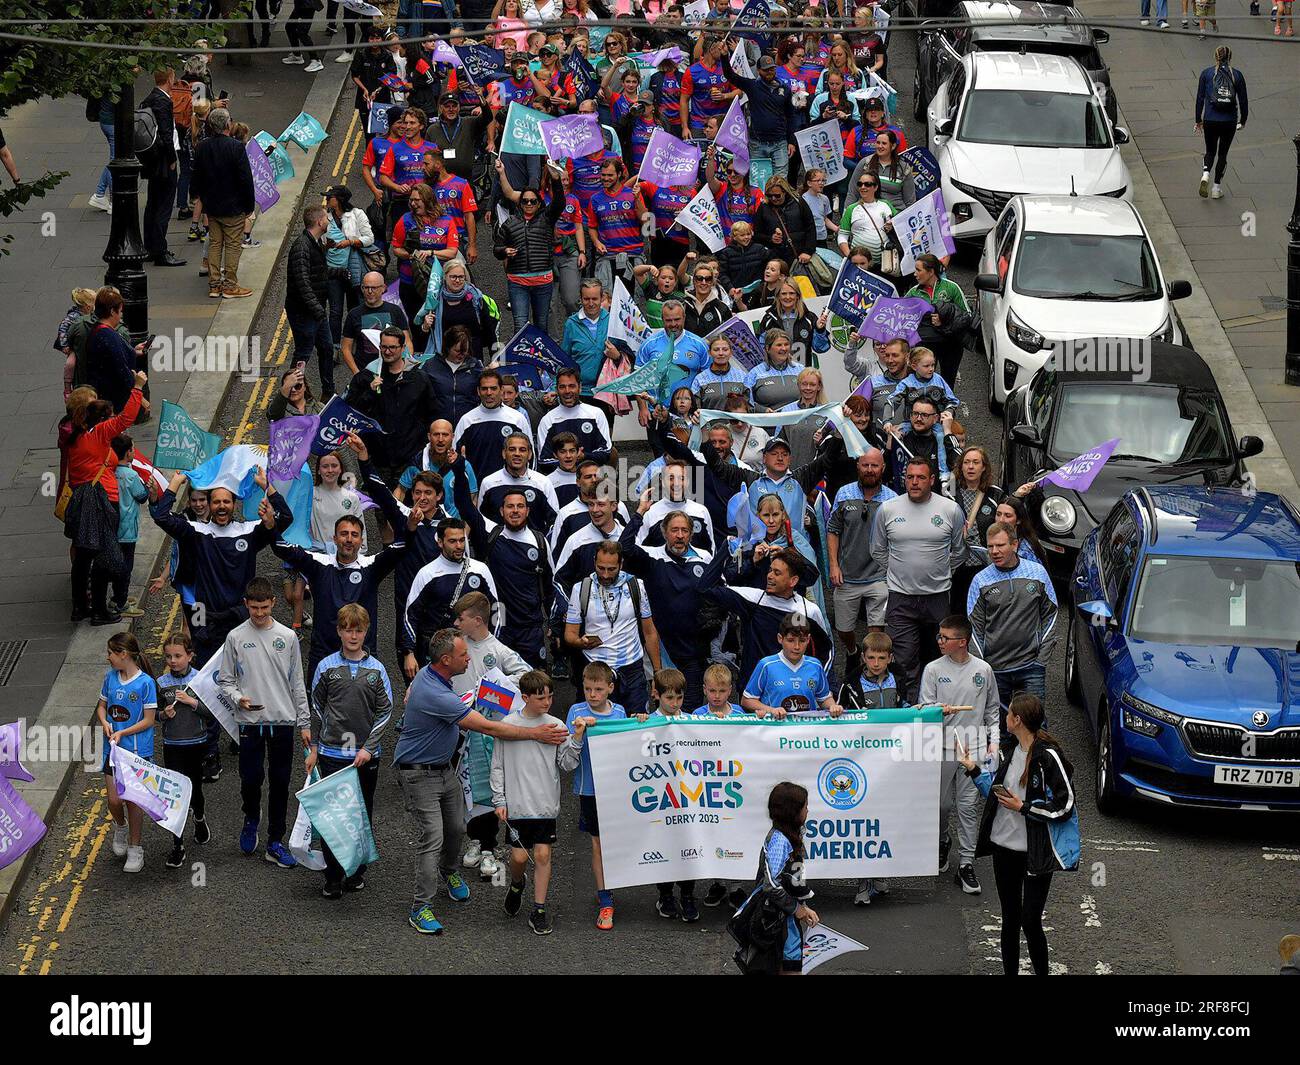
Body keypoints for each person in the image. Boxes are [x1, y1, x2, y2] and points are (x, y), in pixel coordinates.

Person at [396, 628, 569, 934]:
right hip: (418, 774)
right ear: (446, 659)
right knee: (432, 837)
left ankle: (448, 872)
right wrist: (535, 733)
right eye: (464, 655)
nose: (469, 659)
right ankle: (420, 907)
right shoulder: (435, 693)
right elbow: (491, 728)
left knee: (457, 828)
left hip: (441, 769)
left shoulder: (435, 675)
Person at [956, 693, 1078, 975]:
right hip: (1004, 848)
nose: (1005, 718)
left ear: (1017, 720)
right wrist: (974, 771)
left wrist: (1024, 808)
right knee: (1010, 919)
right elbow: (998, 798)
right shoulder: (1010, 752)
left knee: (1031, 921)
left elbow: (1066, 806)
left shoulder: (1048, 757)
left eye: (1008, 713)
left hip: (1034, 851)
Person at [217, 577, 311, 869]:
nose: (259, 613)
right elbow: (225, 680)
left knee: (281, 783)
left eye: (264, 607)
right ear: (246, 604)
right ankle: (251, 817)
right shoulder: (234, 637)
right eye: (254, 608)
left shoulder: (288, 636)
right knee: (250, 779)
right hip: (250, 721)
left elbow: (297, 681)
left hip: (282, 721)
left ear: (273, 603)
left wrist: (305, 723)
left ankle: (275, 841)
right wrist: (237, 698)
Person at [306, 604, 393, 898]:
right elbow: (316, 708)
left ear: (365, 631)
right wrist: (316, 747)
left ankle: (355, 870)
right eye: (347, 630)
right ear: (339, 631)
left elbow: (385, 710)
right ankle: (332, 876)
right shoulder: (326, 667)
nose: (353, 635)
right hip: (332, 754)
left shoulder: (377, 670)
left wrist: (369, 748)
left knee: (360, 815)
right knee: (334, 816)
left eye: (358, 630)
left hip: (365, 757)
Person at [869, 455, 967, 703]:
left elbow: (959, 551)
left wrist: (942, 570)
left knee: (942, 654)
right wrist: (899, 570)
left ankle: (941, 704)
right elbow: (877, 550)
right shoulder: (888, 509)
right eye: (909, 477)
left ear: (932, 480)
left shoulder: (950, 510)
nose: (914, 482)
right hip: (901, 599)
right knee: (904, 660)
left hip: (937, 598)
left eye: (921, 477)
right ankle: (911, 707)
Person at [451, 592, 530, 880]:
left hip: (486, 733)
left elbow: (526, 675)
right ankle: (473, 839)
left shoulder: (497, 650)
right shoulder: (456, 646)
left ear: (477, 620)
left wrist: (494, 690)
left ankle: (489, 847)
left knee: (487, 788)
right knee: (464, 787)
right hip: (459, 731)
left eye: (461, 618)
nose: (456, 622)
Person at [922, 615, 999, 896]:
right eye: (939, 637)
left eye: (945, 637)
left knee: (967, 808)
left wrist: (994, 743)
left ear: (962, 642)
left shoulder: (983, 670)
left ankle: (966, 863)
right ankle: (943, 841)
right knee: (941, 806)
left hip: (974, 748)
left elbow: (992, 710)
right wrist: (936, 710)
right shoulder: (932, 670)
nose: (939, 641)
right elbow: (924, 707)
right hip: (940, 746)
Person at [65, 378, 147, 624]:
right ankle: (100, 611)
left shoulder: (72, 435)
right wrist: (138, 387)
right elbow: (126, 418)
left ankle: (80, 607)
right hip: (101, 500)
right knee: (103, 557)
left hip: (81, 501)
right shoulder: (98, 434)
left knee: (83, 557)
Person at [557, 660, 627, 930]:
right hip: (589, 790)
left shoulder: (619, 712)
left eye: (598, 689)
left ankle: (616, 883)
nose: (593, 695)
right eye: (588, 689)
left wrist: (642, 719)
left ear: (610, 688)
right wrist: (578, 732)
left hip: (618, 790)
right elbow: (566, 756)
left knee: (616, 843)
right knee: (598, 844)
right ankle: (605, 899)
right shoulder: (576, 711)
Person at [493, 669, 563, 936]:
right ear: (524, 697)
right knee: (519, 856)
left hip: (545, 804)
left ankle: (539, 908)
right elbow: (497, 765)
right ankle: (516, 883)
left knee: (543, 854)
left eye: (550, 697)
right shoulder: (508, 724)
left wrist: (576, 739)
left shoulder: (557, 725)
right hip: (517, 803)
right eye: (540, 698)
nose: (546, 702)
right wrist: (499, 799)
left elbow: (565, 763)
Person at [968, 522, 1058, 713]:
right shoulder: (980, 580)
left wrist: (1041, 660)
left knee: (1035, 728)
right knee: (1000, 731)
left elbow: (1051, 615)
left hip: (1031, 668)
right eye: (990, 546)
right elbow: (974, 629)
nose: (994, 551)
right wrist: (984, 669)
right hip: (995, 671)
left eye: (1000, 545)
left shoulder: (1037, 573)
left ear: (1015, 545)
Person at [564, 540, 661, 716]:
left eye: (612, 569)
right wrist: (581, 642)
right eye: (601, 568)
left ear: (621, 564)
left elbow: (649, 632)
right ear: (594, 561)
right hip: (596, 669)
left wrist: (657, 673)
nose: (606, 575)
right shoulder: (581, 588)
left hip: (631, 669)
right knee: (597, 729)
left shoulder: (636, 586)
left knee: (637, 727)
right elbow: (569, 634)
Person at [731, 781, 818, 975]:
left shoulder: (791, 836)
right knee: (786, 967)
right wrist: (797, 909)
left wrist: (802, 907)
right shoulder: (780, 841)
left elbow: (788, 881)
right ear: (792, 812)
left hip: (784, 918)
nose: (808, 810)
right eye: (805, 806)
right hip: (775, 920)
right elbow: (770, 885)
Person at [827, 448, 895, 683]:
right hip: (848, 575)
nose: (869, 470)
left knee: (877, 631)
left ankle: (870, 670)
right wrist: (834, 566)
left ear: (883, 468)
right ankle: (854, 652)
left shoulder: (892, 499)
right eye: (865, 465)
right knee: (844, 629)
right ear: (858, 466)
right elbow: (833, 530)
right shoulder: (844, 494)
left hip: (879, 577)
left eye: (874, 466)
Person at [344, 327, 441, 486]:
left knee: (411, 507)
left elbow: (432, 414)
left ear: (403, 348)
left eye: (392, 347)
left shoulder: (419, 378)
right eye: (384, 347)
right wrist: (370, 392)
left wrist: (423, 444)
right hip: (378, 458)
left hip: (410, 458)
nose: (387, 352)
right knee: (382, 507)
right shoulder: (367, 377)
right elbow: (351, 411)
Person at [96, 632, 158, 874]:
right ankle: (119, 826)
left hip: (136, 752)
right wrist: (104, 722)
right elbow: (102, 707)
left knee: (133, 801)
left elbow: (149, 720)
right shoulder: (110, 678)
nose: (108, 657)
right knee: (114, 800)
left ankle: (135, 848)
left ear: (123, 655)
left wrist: (124, 732)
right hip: (112, 750)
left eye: (111, 653)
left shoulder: (146, 684)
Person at [155, 632, 215, 869]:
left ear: (190, 656)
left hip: (196, 743)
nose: (173, 661)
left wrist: (192, 703)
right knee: (175, 797)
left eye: (178, 656)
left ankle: (199, 817)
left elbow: (212, 713)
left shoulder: (200, 680)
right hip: (172, 746)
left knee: (195, 789)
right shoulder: (160, 684)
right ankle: (177, 845)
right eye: (169, 656)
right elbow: (154, 714)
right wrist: (163, 714)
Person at [189, 107, 254, 299]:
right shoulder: (236, 147)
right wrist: (249, 206)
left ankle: (214, 284)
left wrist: (196, 196)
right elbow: (245, 179)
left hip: (212, 205)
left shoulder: (202, 146)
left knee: (215, 244)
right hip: (233, 206)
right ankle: (230, 285)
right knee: (233, 245)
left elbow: (196, 174)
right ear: (228, 125)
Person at [742, 615, 842, 719]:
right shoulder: (766, 665)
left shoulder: (815, 665)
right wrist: (771, 710)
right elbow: (747, 700)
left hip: (807, 730)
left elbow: (824, 698)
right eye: (790, 640)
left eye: (802, 641)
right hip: (775, 730)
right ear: (780, 638)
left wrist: (833, 706)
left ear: (808, 639)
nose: (797, 646)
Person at [285, 205, 335, 399]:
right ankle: (292, 392)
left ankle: (328, 393)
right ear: (319, 222)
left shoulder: (314, 242)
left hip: (316, 311)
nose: (329, 222)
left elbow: (317, 273)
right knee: (303, 354)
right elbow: (303, 283)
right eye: (327, 219)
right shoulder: (302, 246)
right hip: (304, 312)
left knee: (327, 348)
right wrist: (318, 310)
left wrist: (338, 273)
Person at [723, 52, 796, 180]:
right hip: (757, 143)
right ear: (758, 70)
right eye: (766, 70)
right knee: (758, 182)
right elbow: (730, 76)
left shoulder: (785, 89)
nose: (769, 72)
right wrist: (724, 56)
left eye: (772, 69)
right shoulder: (752, 86)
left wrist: (791, 141)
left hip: (780, 143)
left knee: (781, 181)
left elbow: (791, 116)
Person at [323, 185, 374, 359]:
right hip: (333, 271)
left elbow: (369, 238)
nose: (327, 199)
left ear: (339, 200)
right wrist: (326, 246)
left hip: (353, 269)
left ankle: (357, 342)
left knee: (355, 308)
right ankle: (335, 347)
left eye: (330, 197)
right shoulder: (325, 218)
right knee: (335, 310)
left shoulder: (357, 214)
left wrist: (350, 242)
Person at [141, 69, 186, 268]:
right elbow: (167, 133)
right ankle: (161, 250)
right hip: (163, 162)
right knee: (164, 206)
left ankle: (149, 247)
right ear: (170, 79)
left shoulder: (149, 98)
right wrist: (172, 158)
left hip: (151, 160)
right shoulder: (164, 101)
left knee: (152, 204)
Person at [906, 254, 970, 386]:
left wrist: (945, 320)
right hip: (925, 345)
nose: (915, 274)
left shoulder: (951, 288)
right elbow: (901, 317)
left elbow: (967, 315)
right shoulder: (913, 293)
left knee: (947, 381)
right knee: (923, 381)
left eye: (918, 270)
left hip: (950, 344)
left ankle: (947, 406)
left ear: (931, 272)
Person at [1195, 47, 1248, 199]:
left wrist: (1198, 120)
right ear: (1230, 57)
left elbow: (1199, 98)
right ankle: (1216, 188)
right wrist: (1242, 120)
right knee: (1222, 153)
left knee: (1210, 151)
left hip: (1210, 119)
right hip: (1229, 121)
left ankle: (1205, 173)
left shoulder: (1206, 73)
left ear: (1215, 57)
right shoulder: (1237, 75)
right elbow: (1243, 101)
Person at [536, 368, 615, 470]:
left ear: (580, 387)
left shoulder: (596, 414)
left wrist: (584, 457)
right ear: (556, 390)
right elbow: (544, 461)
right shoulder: (548, 420)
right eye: (562, 387)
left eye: (572, 386)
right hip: (561, 480)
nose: (567, 391)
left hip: (591, 476)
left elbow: (606, 452)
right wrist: (569, 464)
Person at [339, 271, 412, 375]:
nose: (369, 291)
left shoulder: (395, 311)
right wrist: (357, 373)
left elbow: (407, 342)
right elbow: (346, 347)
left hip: (393, 372)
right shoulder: (353, 314)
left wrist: (405, 368)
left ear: (383, 288)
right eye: (366, 287)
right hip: (365, 372)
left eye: (374, 288)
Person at [109, 434, 148, 617]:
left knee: (117, 563)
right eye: (133, 448)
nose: (134, 450)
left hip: (112, 526)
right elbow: (142, 496)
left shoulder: (110, 472)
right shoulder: (131, 476)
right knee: (126, 566)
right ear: (127, 453)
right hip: (127, 528)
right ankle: (121, 603)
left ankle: (118, 597)